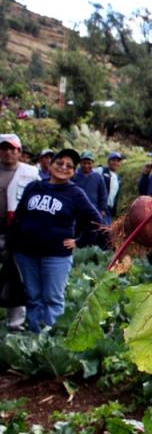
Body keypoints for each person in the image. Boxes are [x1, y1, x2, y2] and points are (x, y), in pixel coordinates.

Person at [10, 148, 102, 333]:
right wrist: (15, 242)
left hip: (56, 255)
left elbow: (96, 220)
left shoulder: (75, 193)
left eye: (69, 166)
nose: (63, 167)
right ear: (50, 165)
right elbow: (19, 215)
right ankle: (35, 335)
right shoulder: (34, 187)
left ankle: (53, 337)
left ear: (73, 172)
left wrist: (79, 242)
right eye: (60, 163)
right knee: (33, 296)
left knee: (52, 297)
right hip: (26, 254)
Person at [0, 133, 39, 331]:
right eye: (4, 148)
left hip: (18, 235)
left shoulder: (31, 173)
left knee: (16, 277)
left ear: (19, 151)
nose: (8, 152)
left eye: (12, 149)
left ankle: (15, 323)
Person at [71, 151, 108, 224]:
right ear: (80, 163)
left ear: (93, 163)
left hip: (93, 211)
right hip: (76, 211)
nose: (86, 165)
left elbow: (103, 194)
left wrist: (103, 210)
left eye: (89, 163)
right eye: (84, 163)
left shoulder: (98, 177)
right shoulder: (73, 175)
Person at [95, 151, 124, 224]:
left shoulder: (117, 177)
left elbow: (115, 196)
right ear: (108, 161)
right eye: (113, 160)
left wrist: (113, 212)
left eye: (117, 161)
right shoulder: (101, 170)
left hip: (109, 210)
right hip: (98, 207)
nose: (115, 163)